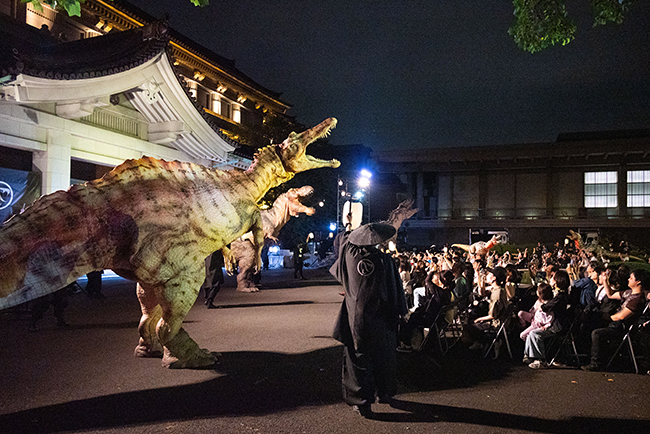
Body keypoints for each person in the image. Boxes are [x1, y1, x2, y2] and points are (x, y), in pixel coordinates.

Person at [330, 222, 408, 418]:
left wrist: (350, 226)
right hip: (382, 319)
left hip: (356, 319)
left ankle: (362, 401)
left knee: (357, 360)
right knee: (384, 358)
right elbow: (395, 289)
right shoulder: (386, 261)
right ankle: (385, 392)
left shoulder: (349, 256)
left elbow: (344, 241)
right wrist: (401, 311)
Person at [581, 268, 649, 371]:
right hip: (613, 322)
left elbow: (622, 316)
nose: (628, 280)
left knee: (596, 332)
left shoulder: (637, 300)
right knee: (587, 322)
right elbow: (611, 295)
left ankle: (595, 363)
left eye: (631, 278)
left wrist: (605, 317)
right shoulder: (628, 292)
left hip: (620, 327)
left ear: (638, 282)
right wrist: (605, 281)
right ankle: (588, 355)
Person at [524, 269, 571, 369]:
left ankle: (540, 359)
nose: (551, 279)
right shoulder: (559, 294)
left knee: (534, 334)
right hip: (553, 324)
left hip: (556, 327)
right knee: (531, 333)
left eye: (553, 278)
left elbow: (545, 308)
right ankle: (529, 355)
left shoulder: (560, 297)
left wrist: (540, 305)